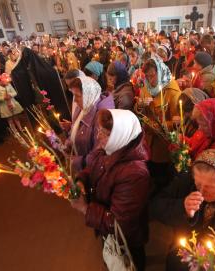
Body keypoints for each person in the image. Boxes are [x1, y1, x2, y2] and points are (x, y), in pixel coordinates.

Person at [70, 109, 150, 271]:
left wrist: (85, 208)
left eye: (105, 133)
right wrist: (81, 180)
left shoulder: (135, 174)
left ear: (121, 135)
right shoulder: (110, 148)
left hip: (127, 238)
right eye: (99, 130)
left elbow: (119, 223)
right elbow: (92, 168)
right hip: (106, 225)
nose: (98, 136)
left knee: (130, 262)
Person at [140, 56, 181, 189]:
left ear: (160, 72)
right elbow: (140, 110)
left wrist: (157, 126)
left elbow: (178, 122)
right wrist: (140, 105)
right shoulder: (146, 86)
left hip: (162, 146)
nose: (150, 80)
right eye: (147, 76)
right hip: (148, 141)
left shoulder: (172, 92)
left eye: (152, 76)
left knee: (161, 178)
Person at [65, 74, 114, 171]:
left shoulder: (101, 118)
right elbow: (78, 127)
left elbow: (99, 153)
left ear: (89, 95)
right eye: (73, 95)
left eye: (77, 96)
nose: (74, 100)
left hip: (89, 170)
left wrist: (78, 161)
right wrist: (69, 140)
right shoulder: (84, 106)